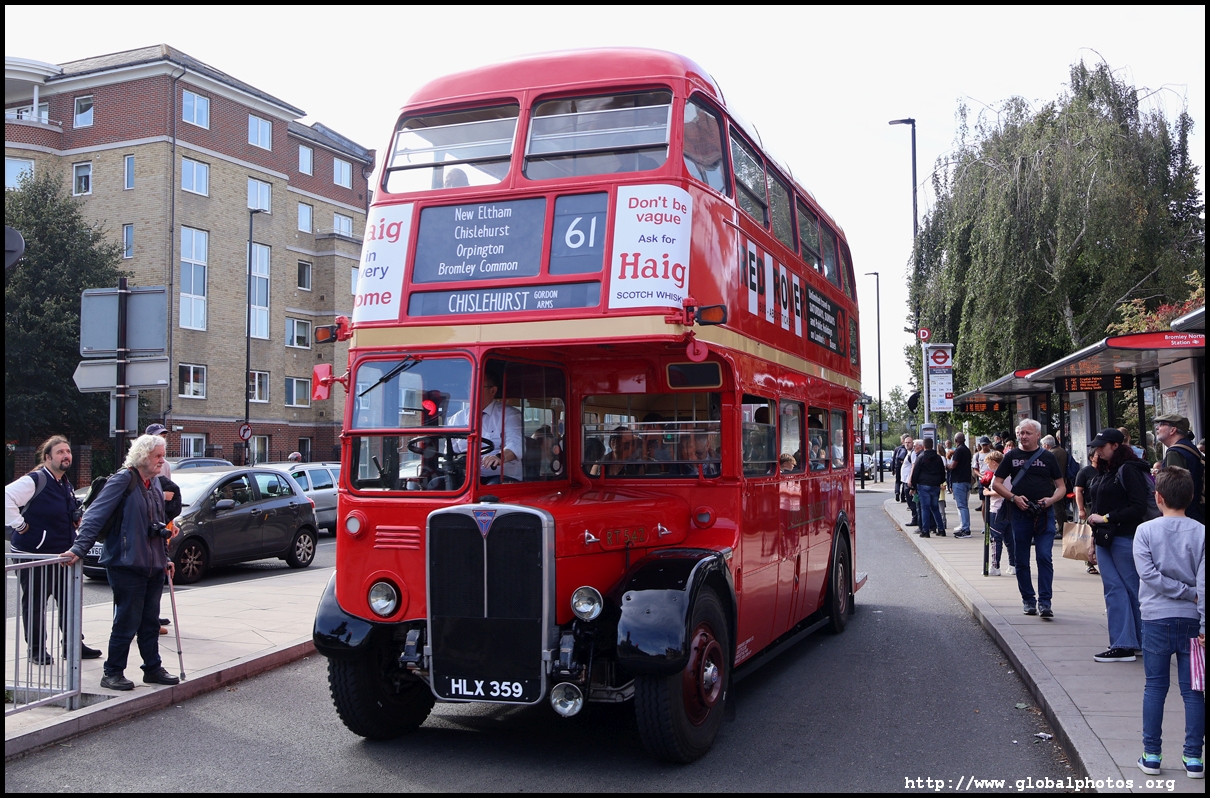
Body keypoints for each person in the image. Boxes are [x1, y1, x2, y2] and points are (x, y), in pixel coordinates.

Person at [63, 434, 179, 690]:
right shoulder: (123, 480)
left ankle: (152, 668)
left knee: (150, 621)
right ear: (143, 456)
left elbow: (158, 524)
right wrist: (79, 549)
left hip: (152, 565)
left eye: (162, 455)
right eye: (158, 456)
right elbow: (94, 515)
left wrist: (165, 557)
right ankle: (112, 672)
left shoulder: (154, 483)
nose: (162, 461)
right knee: (127, 620)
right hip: (126, 563)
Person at [1132, 466, 1205, 779]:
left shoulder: (1145, 531)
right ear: (1191, 496)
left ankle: (1151, 755)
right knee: (1194, 690)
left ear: (1158, 497)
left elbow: (1147, 575)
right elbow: (1204, 585)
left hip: (1155, 617)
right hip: (1192, 621)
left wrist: (1181, 592)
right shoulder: (1201, 532)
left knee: (1155, 687)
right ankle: (1194, 757)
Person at [5, 436, 103, 663]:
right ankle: (36, 650)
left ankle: (73, 646)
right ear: (47, 457)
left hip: (62, 554)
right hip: (34, 555)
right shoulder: (36, 480)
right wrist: (20, 526)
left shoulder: (65, 483)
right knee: (36, 604)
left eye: (68, 451)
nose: (66, 455)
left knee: (69, 601)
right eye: (60, 452)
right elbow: (6, 497)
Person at [1085, 428, 1151, 663]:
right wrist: (1093, 541)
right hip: (1106, 538)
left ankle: (1131, 643)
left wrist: (1106, 518)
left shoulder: (1128, 470)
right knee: (1116, 589)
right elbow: (1097, 506)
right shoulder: (1106, 470)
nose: (1098, 451)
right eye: (1096, 447)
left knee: (1130, 589)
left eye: (1102, 446)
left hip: (1124, 537)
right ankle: (1129, 642)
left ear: (1115, 445)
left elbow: (1138, 507)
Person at [992, 419, 1065, 618]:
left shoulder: (1048, 457)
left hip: (1044, 514)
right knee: (1021, 559)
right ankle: (1028, 600)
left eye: (1028, 433)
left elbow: (1061, 487)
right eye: (1021, 433)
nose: (1023, 436)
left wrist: (1050, 501)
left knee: (1044, 556)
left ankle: (1045, 602)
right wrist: (1013, 498)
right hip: (1020, 514)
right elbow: (997, 483)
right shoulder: (1011, 456)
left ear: (1038, 435)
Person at [449, 369, 522, 483]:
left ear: (492, 390)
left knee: (490, 490)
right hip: (466, 478)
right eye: (469, 387)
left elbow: (515, 444)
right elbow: (450, 451)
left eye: (476, 387)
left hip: (500, 477)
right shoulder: (457, 418)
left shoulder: (509, 415)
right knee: (435, 484)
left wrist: (498, 457)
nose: (471, 392)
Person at [1152, 413, 1204, 524]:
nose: (1157, 427)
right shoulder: (1189, 448)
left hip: (1183, 518)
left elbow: (1174, 490)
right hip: (1195, 514)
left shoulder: (1175, 452)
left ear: (1173, 430)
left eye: (1162, 424)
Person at [982, 450, 1014, 575]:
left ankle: (995, 566)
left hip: (996, 509)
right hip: (1009, 509)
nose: (988, 466)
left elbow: (999, 491)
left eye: (988, 463)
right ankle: (1012, 565)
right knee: (1009, 539)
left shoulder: (999, 476)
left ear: (994, 463)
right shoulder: (1010, 474)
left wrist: (988, 493)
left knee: (996, 539)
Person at [910, 438, 947, 538]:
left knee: (925, 508)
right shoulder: (938, 458)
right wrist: (939, 482)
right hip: (935, 485)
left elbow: (916, 472)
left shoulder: (921, 457)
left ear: (924, 446)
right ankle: (941, 529)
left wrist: (913, 486)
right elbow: (942, 472)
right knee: (935, 508)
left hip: (923, 485)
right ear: (932, 445)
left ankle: (925, 531)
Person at [1074, 449, 1101, 575]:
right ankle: (1088, 563)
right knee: (1088, 534)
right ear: (1091, 458)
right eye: (1097, 455)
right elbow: (1078, 491)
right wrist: (1081, 509)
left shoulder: (1107, 470)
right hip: (1089, 506)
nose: (1100, 456)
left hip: (1103, 506)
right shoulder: (1085, 472)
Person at [948, 432, 974, 537]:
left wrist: (947, 466)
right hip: (966, 480)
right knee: (964, 505)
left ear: (956, 441)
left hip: (959, 481)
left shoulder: (959, 450)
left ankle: (965, 529)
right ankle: (964, 526)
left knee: (962, 506)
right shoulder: (967, 450)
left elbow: (953, 465)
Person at [1040, 435, 1070, 526]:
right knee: (1060, 506)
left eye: (1042, 445)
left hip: (1053, 484)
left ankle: (1061, 528)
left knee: (1056, 507)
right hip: (1062, 481)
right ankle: (1063, 527)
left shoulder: (1050, 454)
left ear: (1046, 445)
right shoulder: (1062, 451)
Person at [902, 440, 923, 526]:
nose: (907, 444)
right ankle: (915, 518)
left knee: (912, 501)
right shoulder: (909, 453)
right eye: (906, 442)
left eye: (909, 442)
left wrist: (910, 480)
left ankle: (916, 519)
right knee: (910, 501)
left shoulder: (913, 453)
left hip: (909, 481)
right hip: (906, 480)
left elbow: (913, 466)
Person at [892, 434, 912, 503]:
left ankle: (897, 492)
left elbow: (894, 459)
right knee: (904, 482)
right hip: (905, 467)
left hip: (898, 466)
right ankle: (903, 497)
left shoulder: (897, 449)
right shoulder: (908, 449)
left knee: (897, 481)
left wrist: (893, 469)